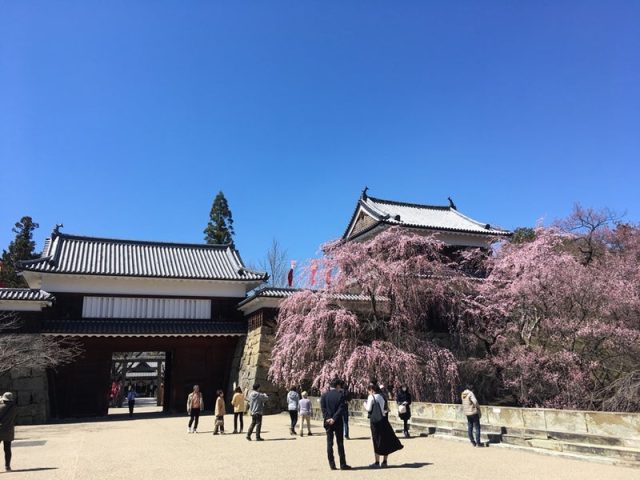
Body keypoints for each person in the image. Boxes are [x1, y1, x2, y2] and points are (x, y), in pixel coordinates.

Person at [364, 383, 403, 468]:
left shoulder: (371, 397)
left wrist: (364, 405)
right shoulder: (382, 397)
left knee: (376, 440)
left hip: (375, 421)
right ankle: (385, 461)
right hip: (383, 420)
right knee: (385, 439)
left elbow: (368, 408)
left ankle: (377, 462)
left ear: (371, 390)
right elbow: (384, 409)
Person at [320, 379, 351, 471]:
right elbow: (341, 408)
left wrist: (328, 418)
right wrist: (334, 418)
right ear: (338, 386)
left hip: (328, 421)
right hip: (337, 421)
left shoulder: (324, 395)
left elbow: (323, 408)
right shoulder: (340, 395)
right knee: (340, 443)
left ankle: (332, 464)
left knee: (329, 443)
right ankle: (342, 464)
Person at [0, 392, 17, 472]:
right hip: (9, 430)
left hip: (0, 429)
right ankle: (7, 466)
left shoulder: (1, 407)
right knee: (7, 449)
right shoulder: (14, 408)